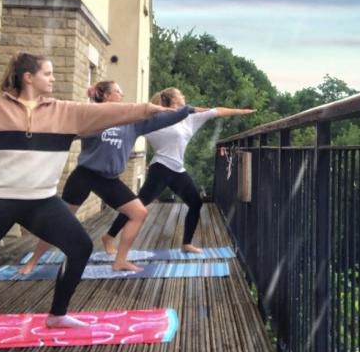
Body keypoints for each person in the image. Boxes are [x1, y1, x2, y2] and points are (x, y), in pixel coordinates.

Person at [0, 53, 174, 341]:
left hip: (41, 201)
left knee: (79, 247)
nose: (53, 78)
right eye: (47, 73)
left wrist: (151, 109)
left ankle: (57, 315)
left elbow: (113, 112)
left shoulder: (63, 112)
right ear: (28, 78)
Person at [19, 80, 202, 274]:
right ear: (106, 96)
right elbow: (65, 131)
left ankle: (120, 260)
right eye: (117, 91)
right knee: (60, 220)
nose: (122, 95)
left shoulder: (132, 123)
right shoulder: (92, 117)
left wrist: (186, 110)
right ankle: (33, 261)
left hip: (109, 180)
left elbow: (162, 118)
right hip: (84, 175)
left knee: (139, 213)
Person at [105, 87, 255, 254]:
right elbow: (129, 121)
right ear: (173, 100)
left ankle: (186, 243)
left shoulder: (189, 118)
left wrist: (240, 111)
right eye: (180, 94)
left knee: (195, 203)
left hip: (177, 170)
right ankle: (109, 237)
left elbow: (216, 111)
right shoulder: (155, 118)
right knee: (137, 205)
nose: (184, 96)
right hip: (160, 168)